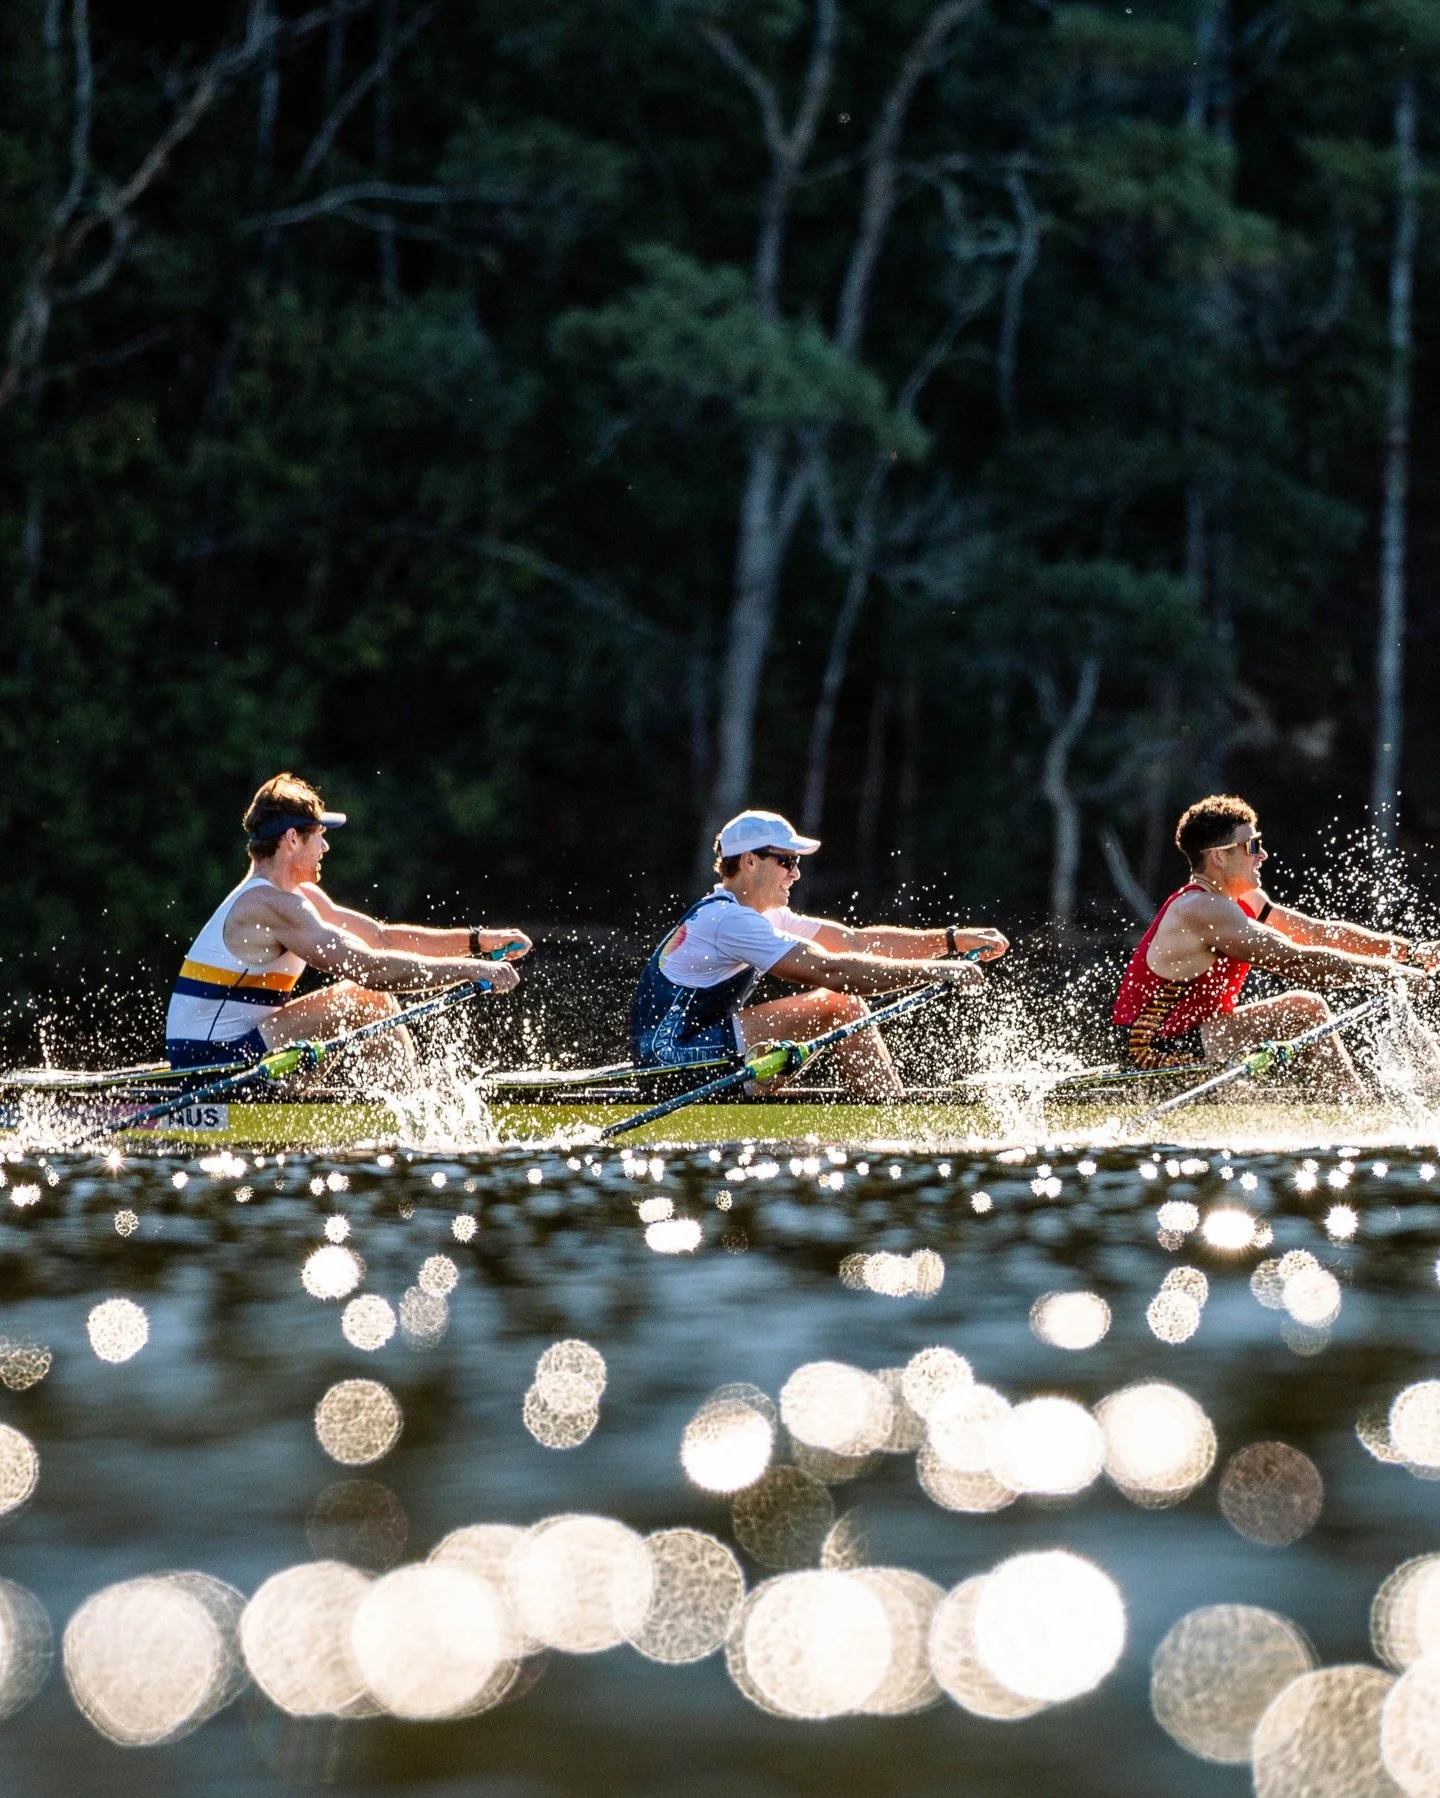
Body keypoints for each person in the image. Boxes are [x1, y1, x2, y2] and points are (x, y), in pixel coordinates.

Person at [165, 773, 531, 1083]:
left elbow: (380, 939)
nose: (325, 846)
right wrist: (471, 970)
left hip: (240, 1055)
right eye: (319, 835)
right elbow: (370, 969)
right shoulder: (270, 905)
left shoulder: (299, 896)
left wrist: (478, 941)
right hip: (209, 1066)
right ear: (292, 839)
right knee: (364, 998)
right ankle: (413, 1113)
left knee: (366, 999)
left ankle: (402, 1108)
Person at [629, 809, 1009, 1098]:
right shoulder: (727, 920)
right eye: (787, 861)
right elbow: (834, 973)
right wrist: (935, 972)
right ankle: (892, 1118)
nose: (795, 874)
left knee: (834, 1007)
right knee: (839, 1004)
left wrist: (950, 941)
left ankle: (885, 1106)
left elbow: (854, 943)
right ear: (749, 861)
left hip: (693, 1052)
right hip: (668, 1063)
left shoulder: (762, 916)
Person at [1112, 794, 1439, 1096]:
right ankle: (1353, 1109)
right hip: (1151, 1048)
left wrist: (1408, 952)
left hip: (1201, 1034)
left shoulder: (1244, 900)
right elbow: (1297, 961)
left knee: (1304, 1008)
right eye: (1252, 846)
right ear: (1219, 858)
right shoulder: (1200, 908)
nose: (1263, 854)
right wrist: (1391, 975)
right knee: (1305, 1007)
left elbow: (1318, 935)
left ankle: (1350, 1107)